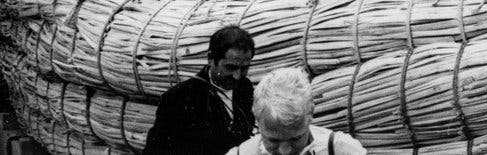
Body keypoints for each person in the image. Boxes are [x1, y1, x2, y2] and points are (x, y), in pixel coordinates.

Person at [144, 26, 256, 155]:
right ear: (210, 59)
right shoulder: (179, 97)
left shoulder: (245, 87)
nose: (237, 76)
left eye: (244, 68)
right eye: (230, 67)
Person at [227, 67, 365, 155]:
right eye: (273, 141)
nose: (285, 151)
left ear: (311, 113)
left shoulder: (341, 149)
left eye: (295, 139)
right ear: (256, 119)